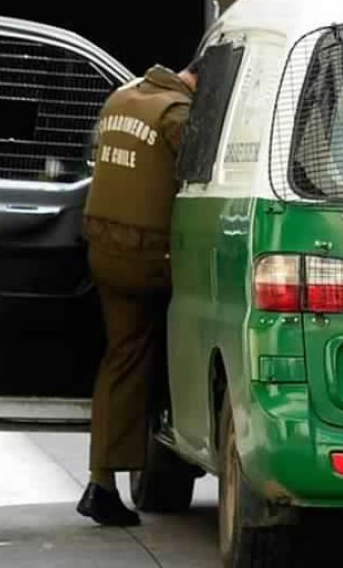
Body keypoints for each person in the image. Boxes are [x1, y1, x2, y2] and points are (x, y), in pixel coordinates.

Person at [75, 60, 199, 527]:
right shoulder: (177, 115)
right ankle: (174, 447)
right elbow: (205, 178)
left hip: (104, 252)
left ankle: (102, 481)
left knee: (123, 358)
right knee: (183, 342)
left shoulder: (121, 98)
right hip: (151, 260)